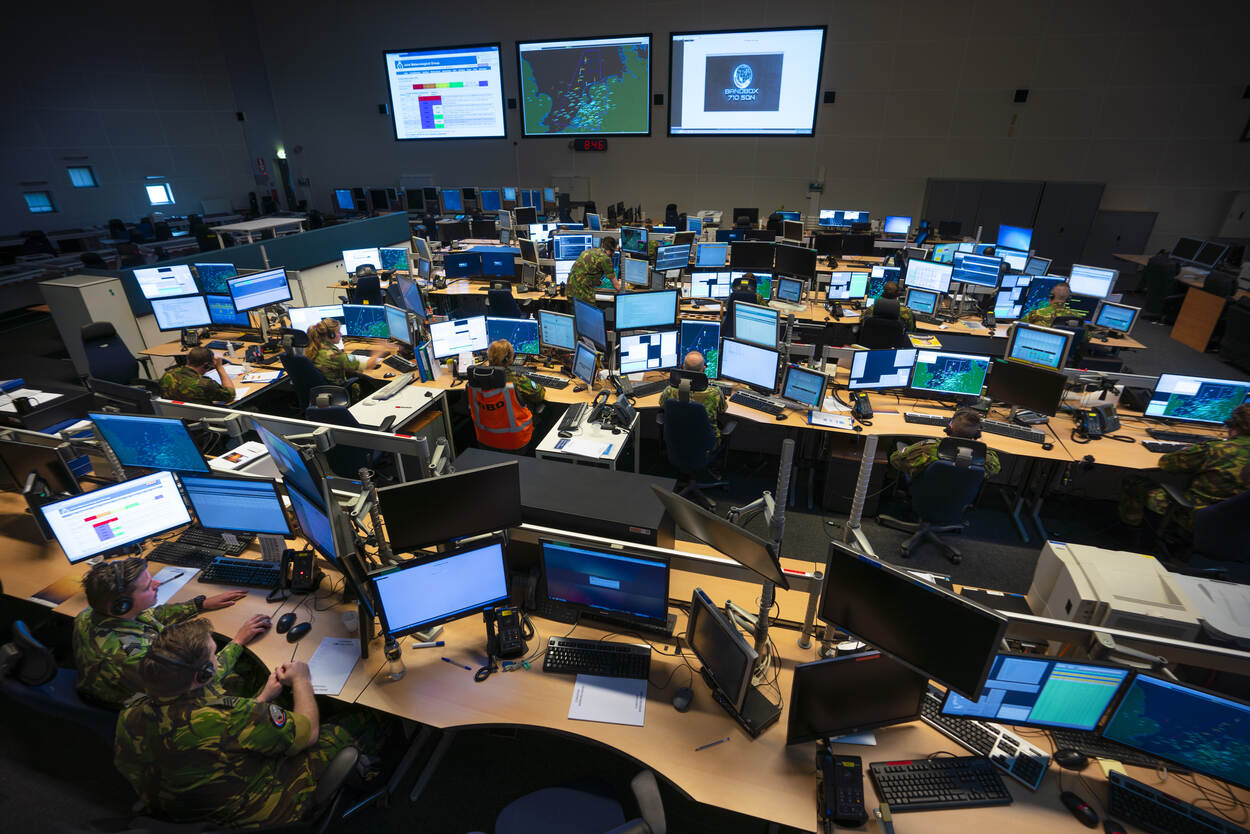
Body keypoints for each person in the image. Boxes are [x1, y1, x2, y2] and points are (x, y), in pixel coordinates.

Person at [115, 619, 389, 828]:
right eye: (214, 655)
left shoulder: (130, 714)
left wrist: (262, 699)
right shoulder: (234, 717)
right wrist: (302, 679)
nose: (217, 658)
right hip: (261, 812)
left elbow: (219, 733)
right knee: (366, 718)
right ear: (205, 674)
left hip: (181, 812)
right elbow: (309, 733)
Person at [73, 557, 270, 709]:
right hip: (148, 707)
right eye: (147, 587)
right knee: (251, 674)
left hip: (122, 682)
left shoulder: (94, 612)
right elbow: (201, 677)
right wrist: (238, 641)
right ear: (122, 605)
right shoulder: (136, 656)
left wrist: (198, 604)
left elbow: (148, 615)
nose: (157, 584)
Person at [1118, 404, 1250, 529]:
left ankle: (1130, 532)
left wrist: (1188, 451)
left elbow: (1167, 463)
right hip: (1241, 523)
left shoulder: (1215, 449)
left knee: (1133, 482)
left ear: (1233, 426)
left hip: (1197, 516)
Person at [467, 339, 545, 452]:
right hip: (516, 441)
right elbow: (539, 395)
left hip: (486, 440)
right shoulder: (516, 379)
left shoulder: (475, 379)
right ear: (509, 359)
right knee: (547, 413)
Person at [889, 408, 1001, 478]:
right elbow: (995, 470)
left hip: (925, 493)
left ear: (950, 426)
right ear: (978, 433)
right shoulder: (986, 459)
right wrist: (979, 445)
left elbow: (895, 460)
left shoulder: (928, 449)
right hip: (960, 499)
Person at [305, 318, 385, 399]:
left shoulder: (314, 347)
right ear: (331, 335)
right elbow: (369, 365)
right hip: (338, 393)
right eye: (338, 332)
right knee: (372, 383)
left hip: (323, 392)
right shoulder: (333, 354)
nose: (341, 334)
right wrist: (379, 351)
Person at [659, 351, 728, 443]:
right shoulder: (715, 393)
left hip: (676, 441)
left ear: (683, 367)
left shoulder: (671, 389)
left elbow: (662, 405)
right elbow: (722, 410)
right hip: (706, 444)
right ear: (704, 369)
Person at [159, 347, 235, 405]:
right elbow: (230, 395)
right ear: (207, 365)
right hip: (203, 417)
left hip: (177, 414)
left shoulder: (168, 374)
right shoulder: (205, 384)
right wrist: (220, 367)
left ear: (188, 360)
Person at [567, 236, 619, 302]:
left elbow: (586, 272)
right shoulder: (605, 259)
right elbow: (616, 285)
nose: (614, 254)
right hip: (581, 292)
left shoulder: (588, 251)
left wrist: (597, 281)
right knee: (591, 308)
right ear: (611, 250)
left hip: (570, 288)